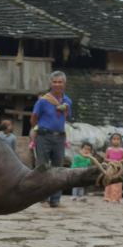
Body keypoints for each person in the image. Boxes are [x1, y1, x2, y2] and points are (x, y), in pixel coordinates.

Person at [31, 71, 72, 208]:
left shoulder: (67, 101)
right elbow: (34, 118)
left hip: (60, 137)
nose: (57, 84)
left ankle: (55, 200)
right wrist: (39, 129)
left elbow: (67, 117)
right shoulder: (43, 101)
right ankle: (42, 198)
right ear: (50, 83)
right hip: (44, 136)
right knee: (42, 167)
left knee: (58, 169)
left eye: (60, 82)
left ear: (64, 84)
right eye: (54, 82)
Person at [104, 133, 123, 203]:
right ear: (111, 140)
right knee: (109, 183)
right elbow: (105, 159)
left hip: (118, 170)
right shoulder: (109, 149)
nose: (116, 141)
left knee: (117, 183)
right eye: (114, 139)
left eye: (118, 139)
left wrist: (120, 163)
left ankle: (116, 198)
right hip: (110, 169)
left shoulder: (122, 150)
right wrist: (112, 161)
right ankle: (107, 197)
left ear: (120, 141)